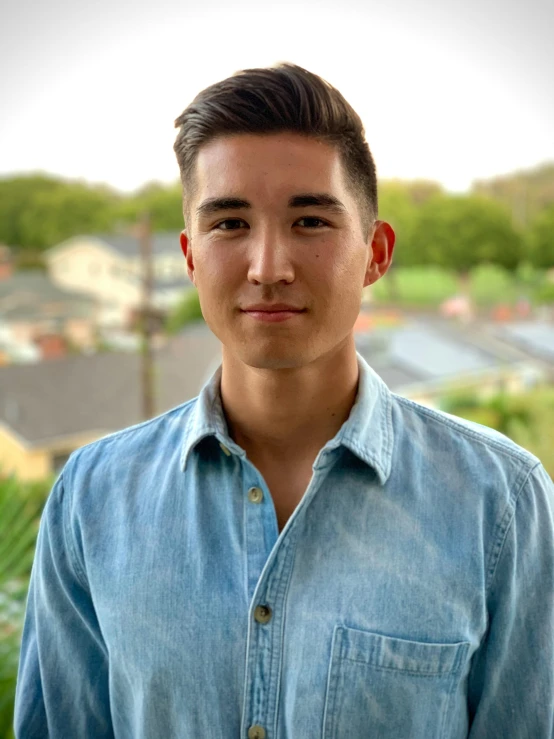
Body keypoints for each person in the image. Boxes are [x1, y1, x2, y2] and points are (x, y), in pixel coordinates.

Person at [14, 63, 554, 738]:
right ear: (189, 254)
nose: (268, 266)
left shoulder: (499, 502)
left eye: (309, 220)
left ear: (376, 252)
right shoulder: (92, 500)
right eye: (230, 222)